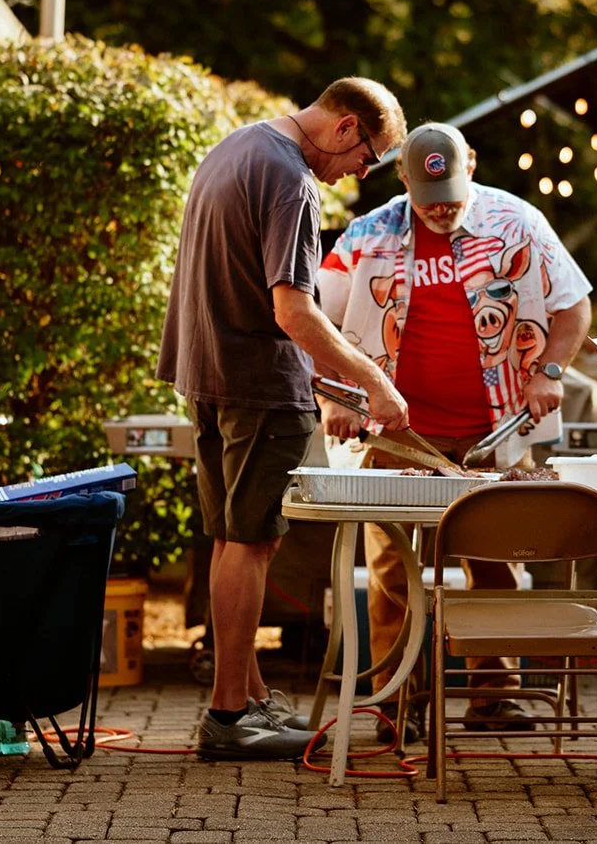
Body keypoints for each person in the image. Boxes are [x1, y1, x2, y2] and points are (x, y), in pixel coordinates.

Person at [158, 77, 412, 761]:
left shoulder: (236, 148)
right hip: (258, 387)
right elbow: (293, 310)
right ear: (345, 127)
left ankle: (248, 696)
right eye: (368, 157)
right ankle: (229, 715)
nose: (362, 173)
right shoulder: (292, 180)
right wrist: (375, 382)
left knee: (231, 537)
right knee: (250, 542)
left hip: (206, 373)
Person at [318, 122, 593, 736]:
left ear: (471, 162)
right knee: (390, 569)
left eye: (452, 195)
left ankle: (495, 694)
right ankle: (394, 702)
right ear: (405, 181)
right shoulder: (368, 235)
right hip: (399, 431)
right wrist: (335, 394)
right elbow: (318, 319)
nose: (441, 210)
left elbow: (574, 304)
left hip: (494, 431)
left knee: (497, 558)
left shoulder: (517, 223)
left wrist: (551, 370)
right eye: (428, 199)